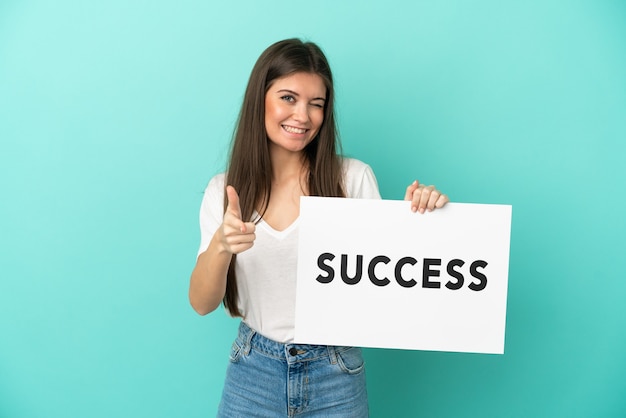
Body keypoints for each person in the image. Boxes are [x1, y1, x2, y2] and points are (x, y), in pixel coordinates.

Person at [189, 38, 449, 417]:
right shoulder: (225, 191)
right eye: (288, 98)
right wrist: (221, 246)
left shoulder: (353, 179)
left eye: (317, 104)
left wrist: (425, 215)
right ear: (259, 99)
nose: (303, 116)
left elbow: (392, 280)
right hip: (253, 372)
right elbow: (201, 303)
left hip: (336, 372)